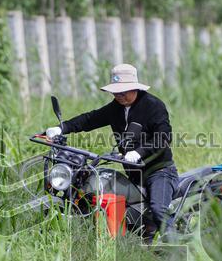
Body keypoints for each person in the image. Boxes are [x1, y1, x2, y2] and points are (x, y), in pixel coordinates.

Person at [45, 63, 177, 240]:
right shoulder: (116, 107)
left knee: (159, 209)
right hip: (133, 172)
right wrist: (62, 128)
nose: (119, 96)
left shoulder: (153, 106)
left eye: (123, 92)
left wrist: (138, 152)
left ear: (134, 87)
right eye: (115, 92)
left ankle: (175, 248)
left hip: (159, 171)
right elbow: (90, 119)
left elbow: (164, 136)